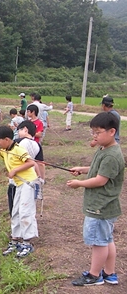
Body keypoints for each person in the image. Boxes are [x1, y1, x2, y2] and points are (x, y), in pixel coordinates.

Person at [67, 112, 124, 286]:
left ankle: (94, 275)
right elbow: (97, 169)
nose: (94, 136)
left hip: (100, 207)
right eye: (93, 132)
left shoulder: (111, 155)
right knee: (106, 240)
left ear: (112, 131)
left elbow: (100, 180)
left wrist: (80, 183)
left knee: (98, 242)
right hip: (106, 206)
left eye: (98, 133)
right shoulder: (105, 149)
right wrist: (83, 170)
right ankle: (109, 273)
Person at [0, 126, 38, 258]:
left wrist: (15, 170)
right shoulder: (4, 150)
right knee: (15, 211)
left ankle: (27, 243)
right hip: (19, 184)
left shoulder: (18, 149)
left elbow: (31, 163)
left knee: (25, 212)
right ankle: (15, 240)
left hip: (28, 183)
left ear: (7, 139)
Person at [7, 120, 44, 217]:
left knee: (15, 209)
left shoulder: (17, 143)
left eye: (19, 130)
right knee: (27, 209)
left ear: (25, 130)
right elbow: (40, 164)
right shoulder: (37, 145)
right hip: (31, 181)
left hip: (16, 181)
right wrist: (41, 180)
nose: (18, 133)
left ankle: (16, 231)